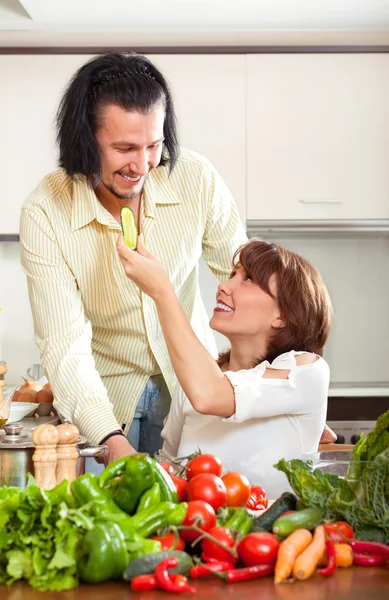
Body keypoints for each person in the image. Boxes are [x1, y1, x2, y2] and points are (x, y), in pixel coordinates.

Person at [19, 52, 247, 462]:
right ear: (85, 139)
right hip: (103, 402)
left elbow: (253, 283)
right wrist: (111, 442)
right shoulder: (46, 210)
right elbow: (64, 345)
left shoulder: (197, 179)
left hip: (194, 391)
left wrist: (282, 380)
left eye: (154, 145)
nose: (141, 165)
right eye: (124, 148)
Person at [117, 237, 333, 497]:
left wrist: (162, 292)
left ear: (282, 315)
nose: (224, 286)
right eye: (233, 274)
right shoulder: (195, 381)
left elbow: (211, 395)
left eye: (249, 279)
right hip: (199, 531)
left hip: (274, 534)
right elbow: (170, 471)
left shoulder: (308, 371)